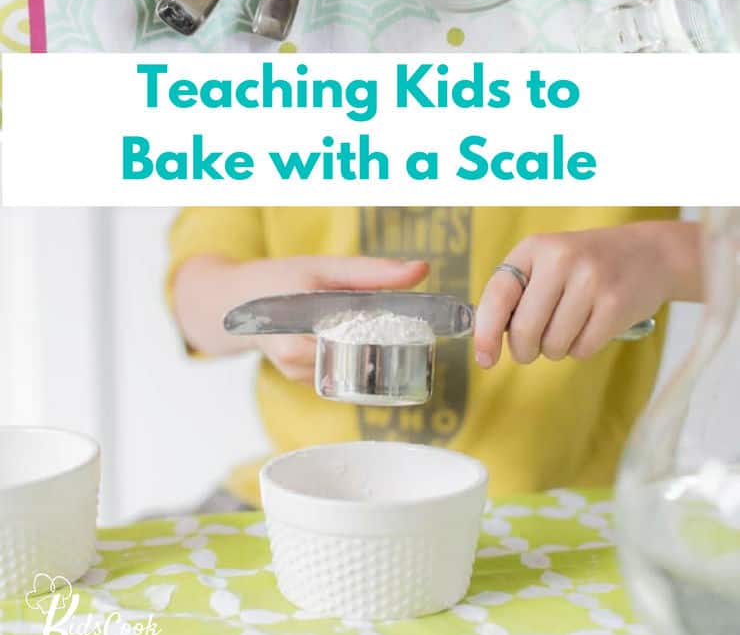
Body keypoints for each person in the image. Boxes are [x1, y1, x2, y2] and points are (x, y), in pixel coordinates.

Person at [168, 207, 701, 508]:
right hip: (297, 502)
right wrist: (261, 301)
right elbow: (193, 298)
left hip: (566, 515)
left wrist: (665, 254)